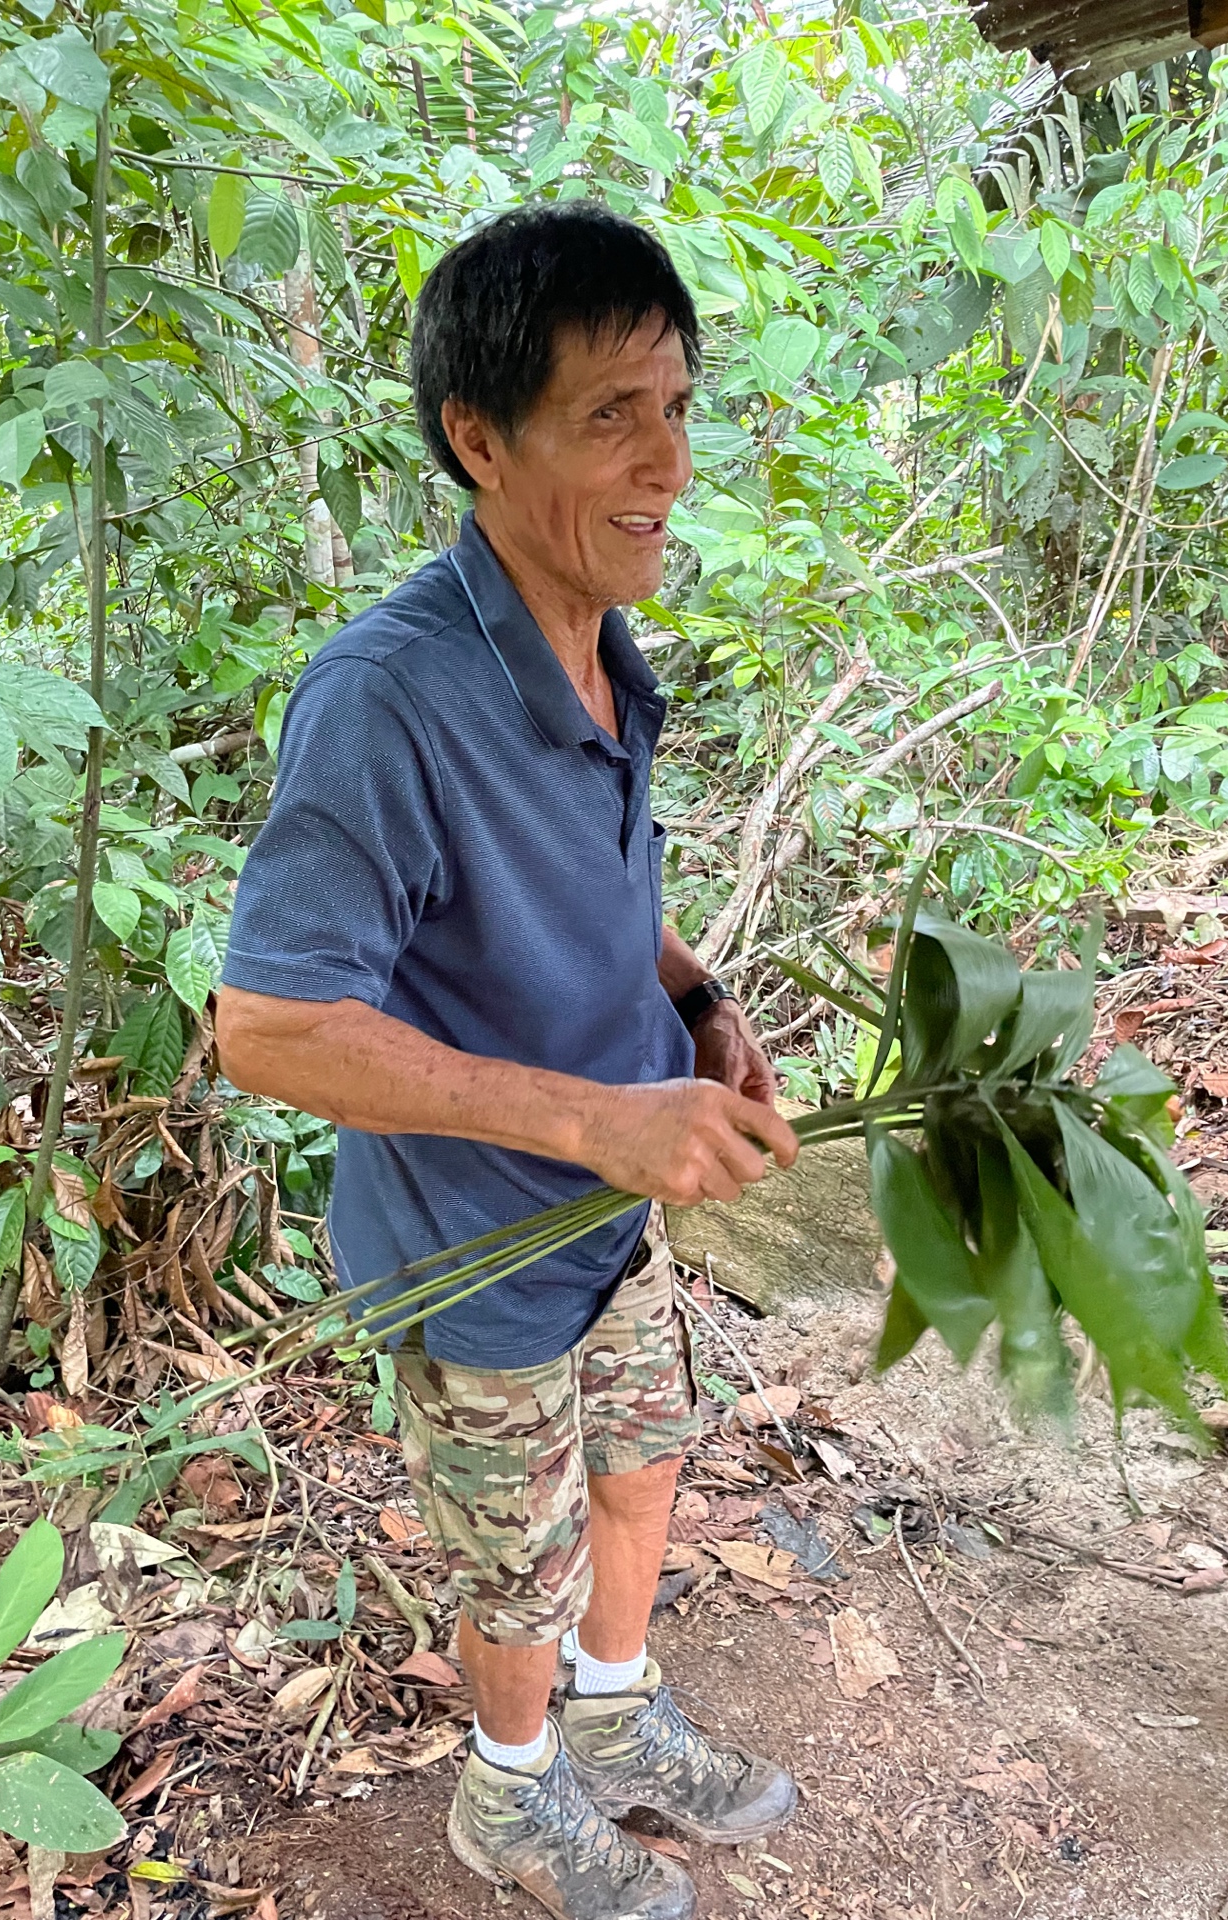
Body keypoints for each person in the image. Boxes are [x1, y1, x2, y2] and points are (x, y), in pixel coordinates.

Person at [217, 202, 800, 1920]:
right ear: (478, 437)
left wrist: (691, 1001)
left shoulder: (602, 645)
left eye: (680, 407)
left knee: (641, 1459)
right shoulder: (386, 698)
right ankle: (512, 1788)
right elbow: (269, 1026)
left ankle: (618, 1723)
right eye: (612, 415)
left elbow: (585, 895)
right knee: (516, 1551)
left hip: (604, 1214)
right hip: (481, 1243)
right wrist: (598, 1119)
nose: (668, 463)